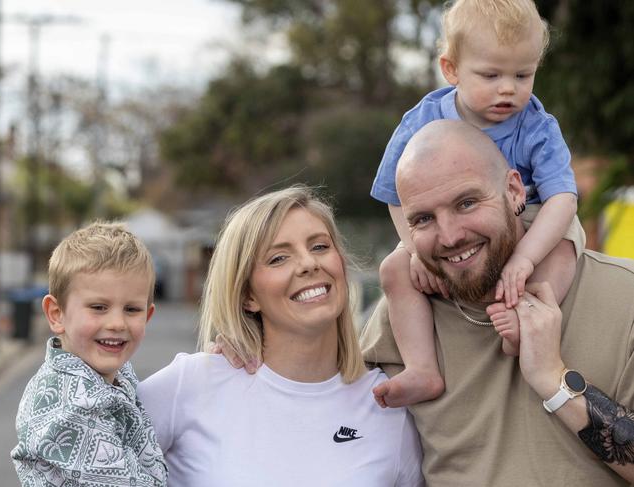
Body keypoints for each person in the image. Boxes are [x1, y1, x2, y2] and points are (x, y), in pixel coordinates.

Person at [361, 119, 634, 485]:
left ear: (515, 190)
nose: (450, 236)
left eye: (467, 202)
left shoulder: (624, 297)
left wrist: (554, 380)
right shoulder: (402, 320)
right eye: (424, 219)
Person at [370, 0, 584, 408]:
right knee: (394, 270)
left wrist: (524, 257)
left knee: (562, 249)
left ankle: (528, 321)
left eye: (523, 75)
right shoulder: (422, 120)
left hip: (529, 216)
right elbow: (395, 196)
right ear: (451, 69)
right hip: (438, 223)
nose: (509, 88)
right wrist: (418, 252)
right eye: (491, 75)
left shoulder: (537, 125)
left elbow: (563, 198)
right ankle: (422, 368)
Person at [138, 186, 424, 486]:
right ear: (248, 295)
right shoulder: (191, 384)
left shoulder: (388, 403)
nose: (309, 264)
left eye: (320, 247)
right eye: (278, 258)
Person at [11, 222, 167, 487]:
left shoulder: (104, 371)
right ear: (56, 314)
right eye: (98, 307)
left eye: (132, 309)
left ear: (148, 315)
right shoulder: (73, 407)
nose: (117, 323)